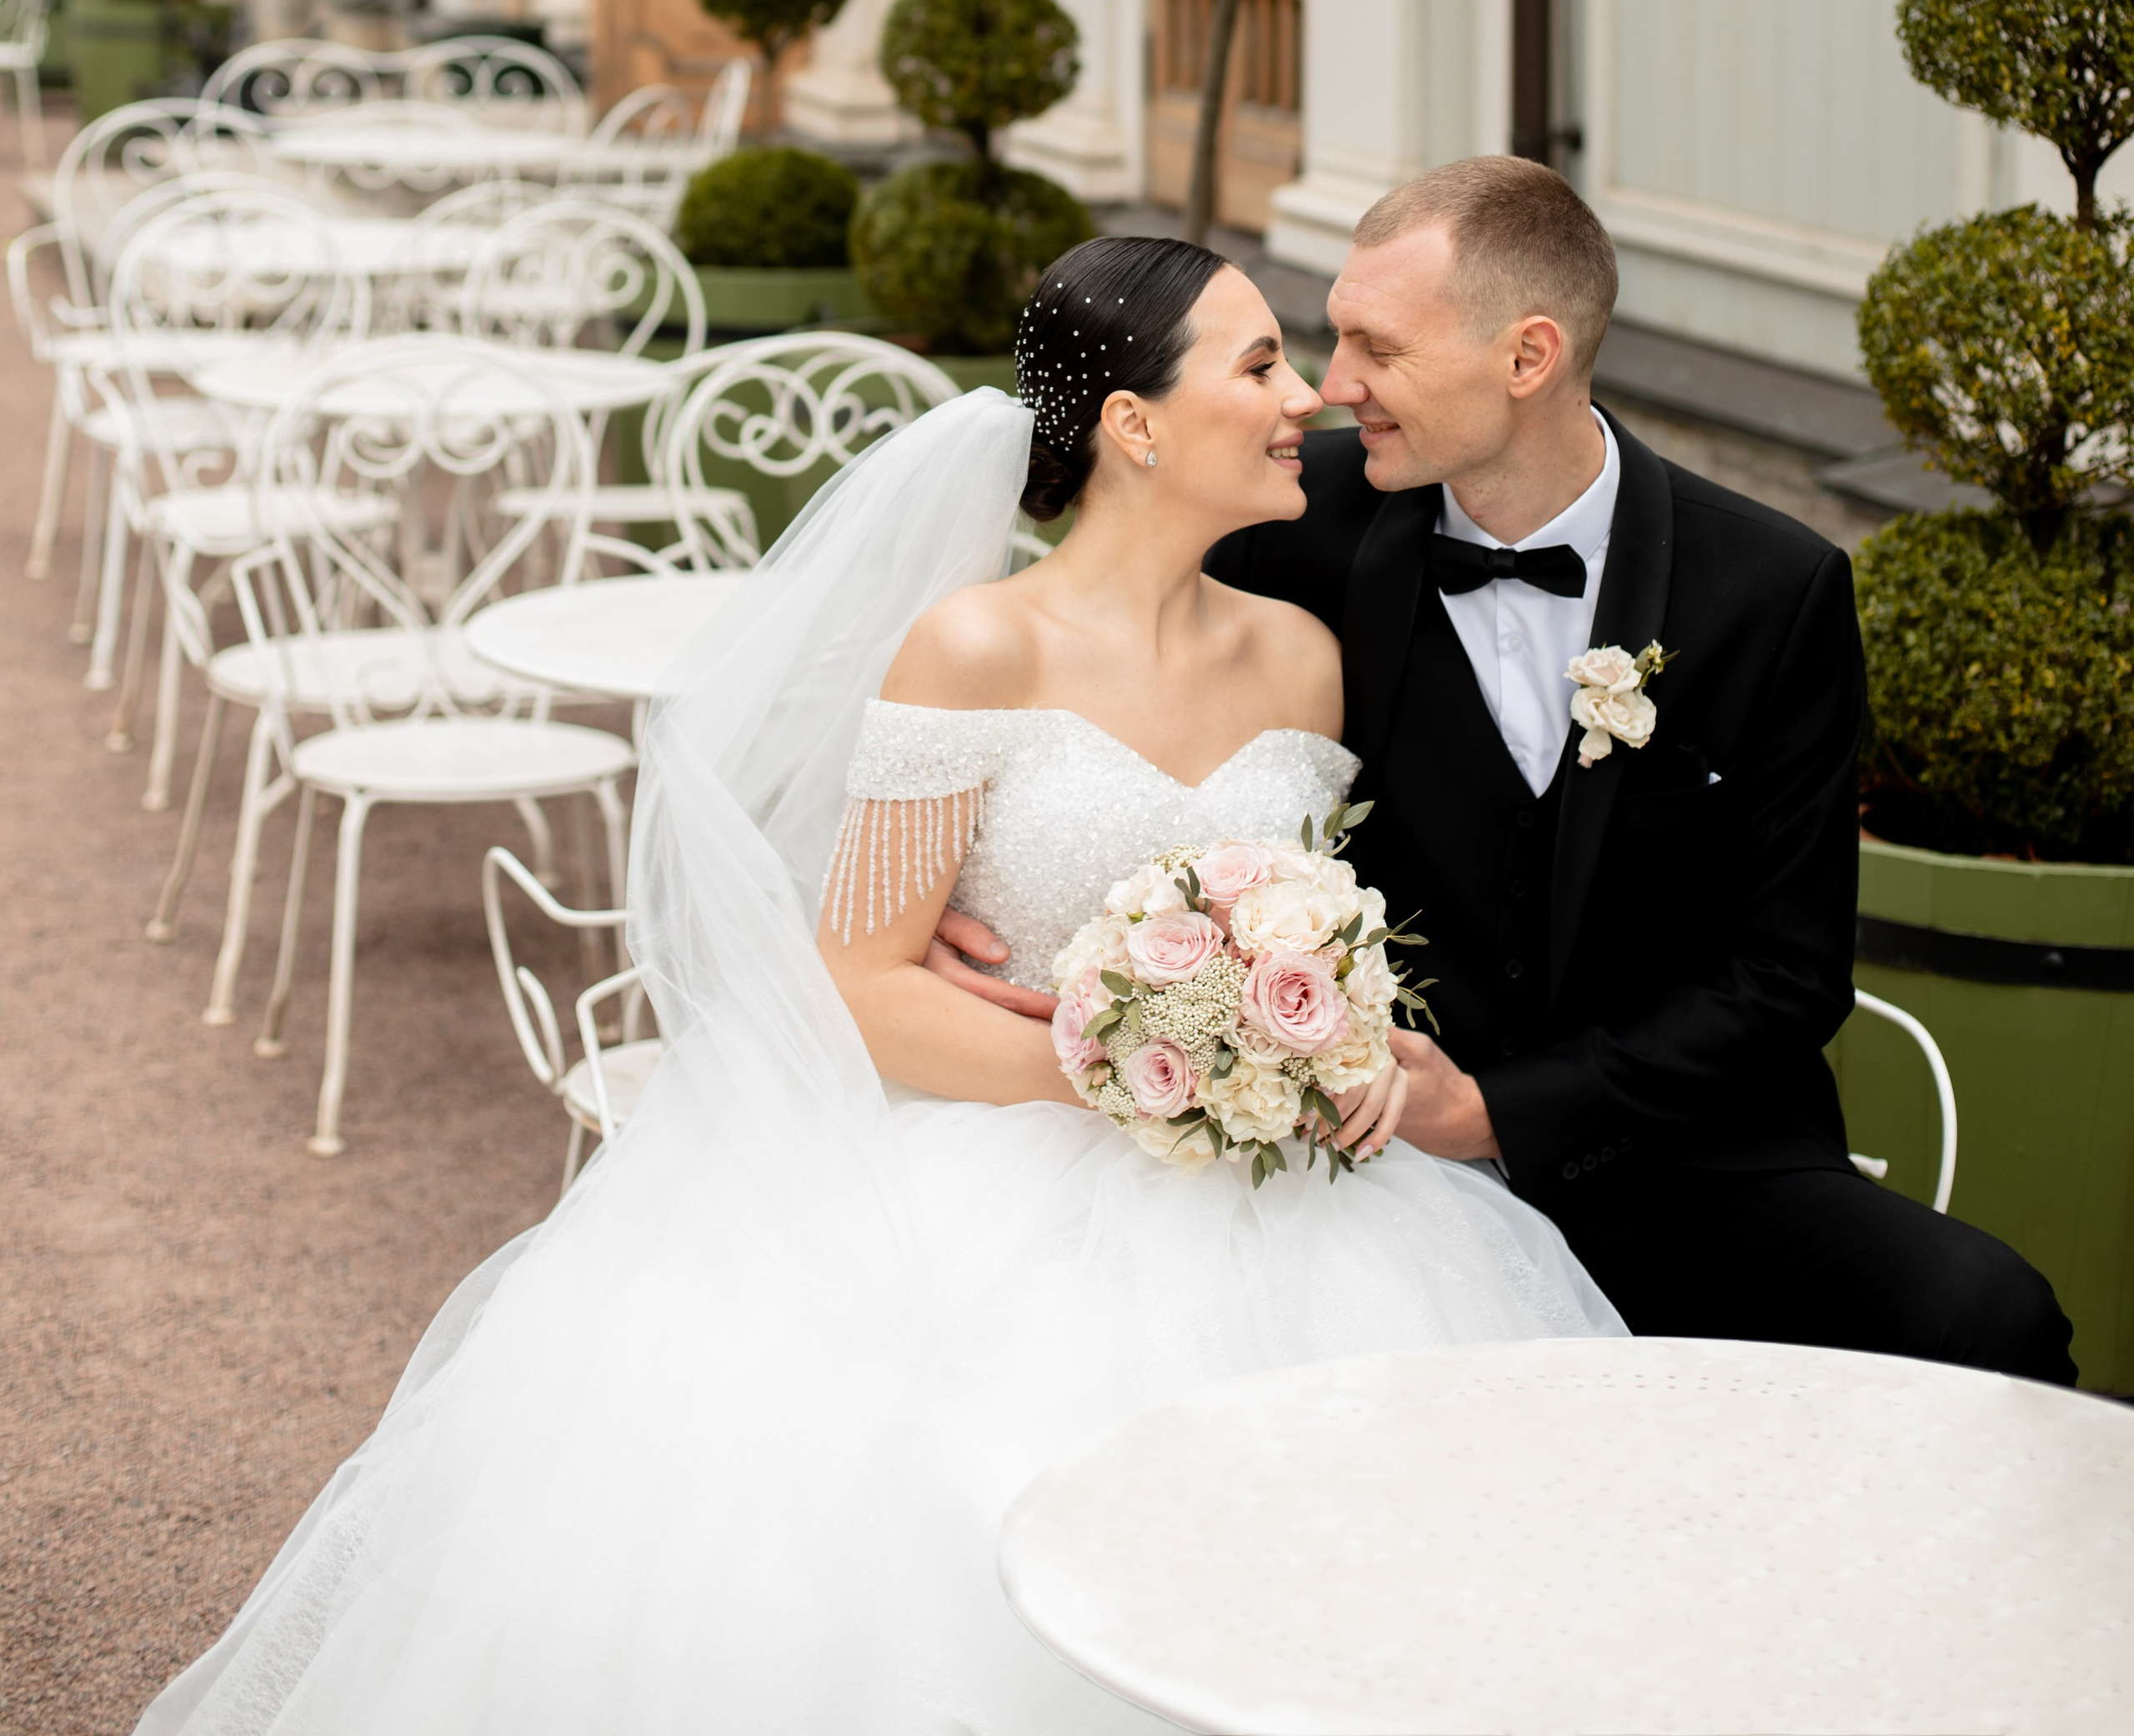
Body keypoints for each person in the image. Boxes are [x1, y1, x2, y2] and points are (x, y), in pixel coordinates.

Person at [140, 237, 1621, 1736]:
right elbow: (852, 983)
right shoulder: (975, 642)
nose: (1303, 397)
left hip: (1303, 1201)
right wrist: (1145, 1061)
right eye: (1258, 366)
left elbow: (1327, 925)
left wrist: (1313, 1044)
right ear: (1133, 424)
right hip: (1003, 1184)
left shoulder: (1305, 655)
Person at [1181, 157, 2070, 1382]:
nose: (1336, 386)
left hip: (1680, 1158)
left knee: (1992, 1315)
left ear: (1528, 355)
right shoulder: (1291, 528)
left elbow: (1785, 978)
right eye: (1335, 340)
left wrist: (1501, 1112)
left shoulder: (1772, 587)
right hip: (1374, 1169)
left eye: (1376, 347)